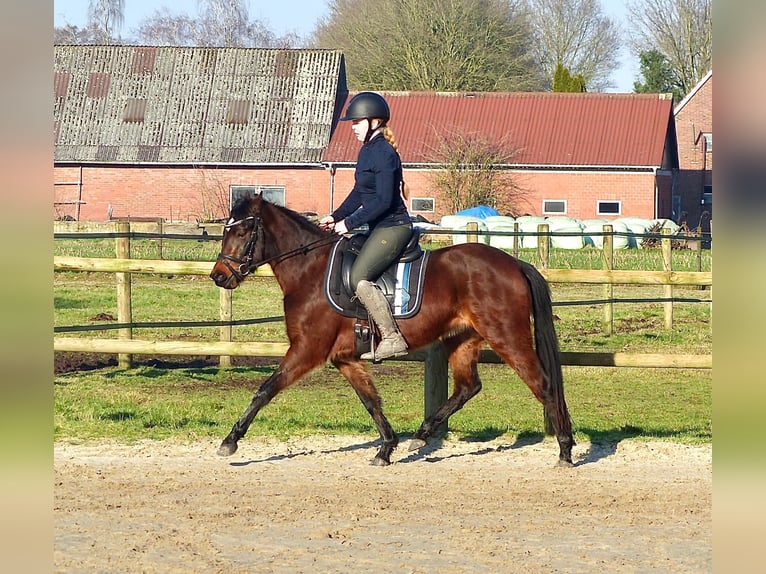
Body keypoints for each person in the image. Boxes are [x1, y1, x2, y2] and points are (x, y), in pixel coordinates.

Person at [319, 91, 413, 360]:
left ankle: (392, 337)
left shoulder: (384, 153)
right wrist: (336, 216)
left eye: (357, 122)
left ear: (374, 121)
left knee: (358, 278)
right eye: (352, 123)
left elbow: (383, 201)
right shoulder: (367, 151)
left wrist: (349, 223)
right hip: (377, 227)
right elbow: (360, 193)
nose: (353, 128)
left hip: (394, 226)